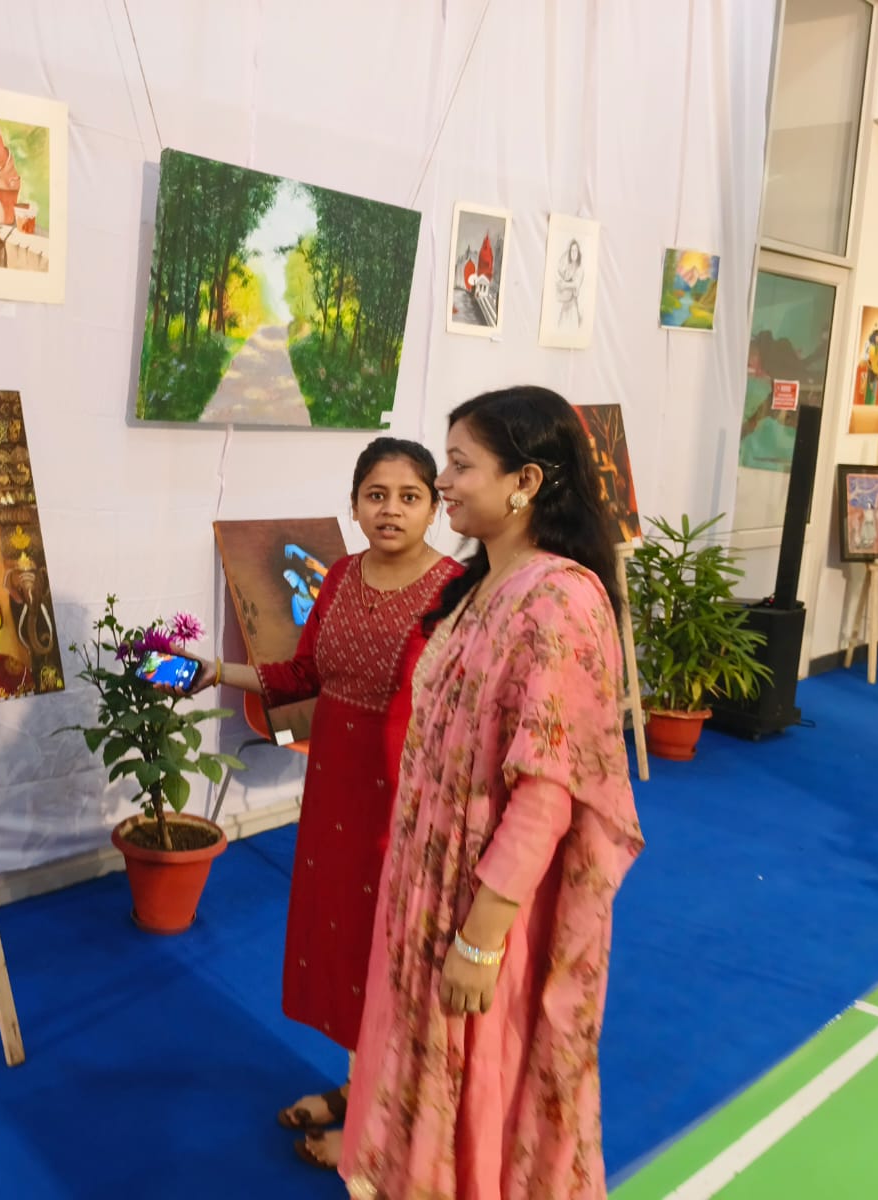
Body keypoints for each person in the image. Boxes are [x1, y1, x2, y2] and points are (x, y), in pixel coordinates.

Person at [340, 386, 645, 1200]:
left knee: (481, 1082)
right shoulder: (482, 585)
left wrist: (479, 941)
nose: (442, 482)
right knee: (426, 1071)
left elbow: (547, 792)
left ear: (525, 482)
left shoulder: (559, 601)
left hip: (482, 905)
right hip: (429, 885)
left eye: (460, 465)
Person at [184, 438, 463, 1170]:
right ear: (355, 504)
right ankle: (358, 1085)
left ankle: (383, 1125)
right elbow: (303, 674)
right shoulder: (339, 575)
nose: (391, 510)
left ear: (435, 507)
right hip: (337, 788)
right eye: (376, 495)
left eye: (409, 496)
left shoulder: (458, 592)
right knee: (346, 944)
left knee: (397, 953)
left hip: (407, 799)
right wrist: (214, 671)